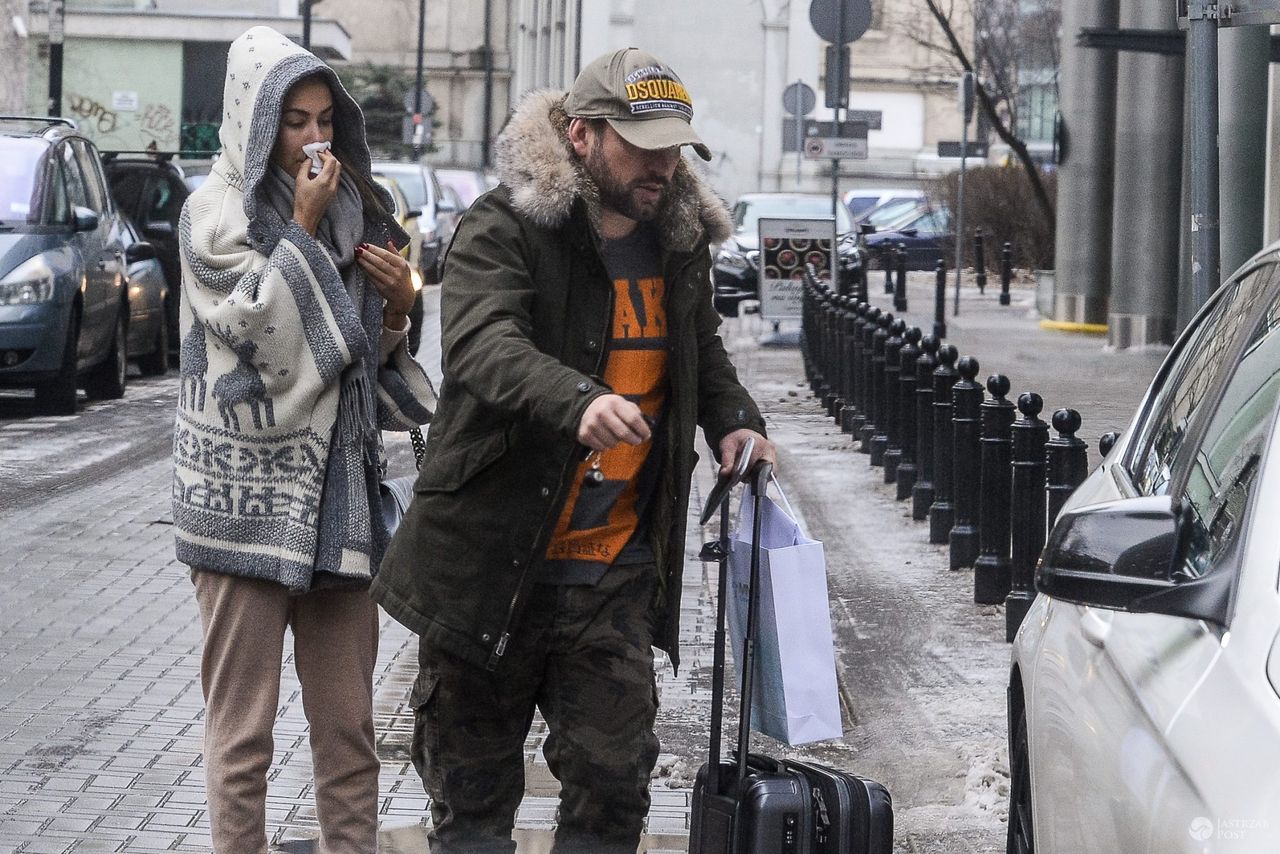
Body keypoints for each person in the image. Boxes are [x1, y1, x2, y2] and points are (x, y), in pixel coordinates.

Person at [372, 47, 776, 853]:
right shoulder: (504, 226)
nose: (663, 163)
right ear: (583, 135)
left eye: (674, 145)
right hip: (487, 564)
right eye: (642, 143)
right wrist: (580, 400)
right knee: (472, 805)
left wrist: (733, 418)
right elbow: (483, 344)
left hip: (613, 570)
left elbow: (700, 349)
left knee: (614, 789)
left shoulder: (678, 242)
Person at [173, 26, 435, 853]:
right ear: (254, 120)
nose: (315, 139)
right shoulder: (211, 214)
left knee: (348, 736)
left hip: (340, 502)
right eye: (295, 121)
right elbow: (253, 332)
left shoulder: (362, 207)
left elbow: (364, 354)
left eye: (325, 118)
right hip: (240, 508)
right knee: (242, 739)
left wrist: (396, 305)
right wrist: (303, 231)